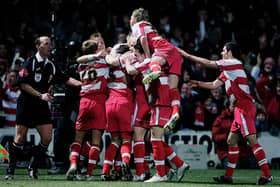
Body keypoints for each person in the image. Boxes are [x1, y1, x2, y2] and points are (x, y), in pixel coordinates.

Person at [180, 42, 273, 185]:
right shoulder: (229, 70)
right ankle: (228, 176)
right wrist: (198, 83)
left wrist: (187, 56)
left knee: (251, 141)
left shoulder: (233, 63)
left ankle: (267, 175)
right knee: (231, 140)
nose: (222, 52)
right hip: (239, 108)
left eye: (224, 50)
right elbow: (213, 85)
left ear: (230, 52)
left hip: (244, 107)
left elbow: (209, 63)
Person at [5, 36, 81, 180]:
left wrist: (84, 85)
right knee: (20, 138)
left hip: (41, 105)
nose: (49, 46)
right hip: (27, 104)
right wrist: (40, 95)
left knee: (47, 137)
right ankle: (10, 170)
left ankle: (32, 166)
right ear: (38, 46)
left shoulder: (51, 65)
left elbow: (66, 79)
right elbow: (22, 84)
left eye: (49, 44)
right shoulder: (30, 63)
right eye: (46, 44)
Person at [130, 8, 183, 131]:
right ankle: (175, 112)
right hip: (173, 53)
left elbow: (143, 38)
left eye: (131, 19)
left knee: (153, 61)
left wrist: (148, 57)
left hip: (163, 51)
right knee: (173, 89)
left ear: (135, 19)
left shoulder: (137, 25)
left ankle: (155, 70)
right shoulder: (151, 26)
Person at [66, 39, 109, 181]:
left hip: (84, 102)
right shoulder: (103, 63)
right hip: (98, 102)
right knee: (96, 141)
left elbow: (80, 59)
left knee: (78, 139)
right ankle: (89, 173)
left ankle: (73, 164)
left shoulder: (81, 65)